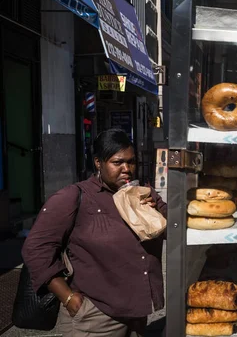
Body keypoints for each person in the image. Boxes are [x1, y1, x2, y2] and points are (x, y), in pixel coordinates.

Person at [22, 129, 167, 336]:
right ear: (98, 163)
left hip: (137, 313)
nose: (127, 169)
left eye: (131, 161)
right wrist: (69, 297)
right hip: (96, 317)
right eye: (117, 163)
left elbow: (175, 229)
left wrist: (153, 213)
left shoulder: (143, 195)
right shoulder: (74, 197)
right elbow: (35, 248)